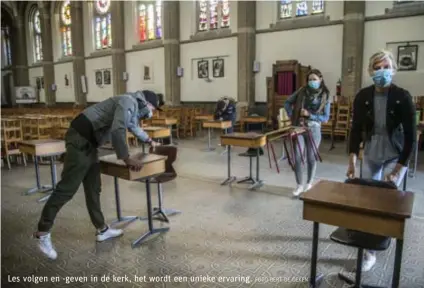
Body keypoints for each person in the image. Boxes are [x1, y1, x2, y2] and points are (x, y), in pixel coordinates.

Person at [33, 90, 162, 260]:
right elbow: (118, 130)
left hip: (90, 143)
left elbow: (133, 126)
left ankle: (102, 229)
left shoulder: (131, 106)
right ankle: (42, 233)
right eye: (153, 107)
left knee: (94, 188)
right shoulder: (128, 101)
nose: (151, 112)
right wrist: (126, 158)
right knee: (67, 189)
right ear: (147, 103)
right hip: (81, 138)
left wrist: (149, 140)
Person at [346, 49, 416, 271]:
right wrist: (351, 161)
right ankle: (369, 252)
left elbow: (411, 137)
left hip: (394, 152)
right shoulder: (363, 96)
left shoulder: (402, 96)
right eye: (377, 68)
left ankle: (385, 234)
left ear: (393, 69)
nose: (382, 71)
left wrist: (398, 169)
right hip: (372, 149)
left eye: (386, 67)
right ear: (370, 71)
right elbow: (355, 129)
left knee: (386, 198)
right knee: (368, 198)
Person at [284, 69, 330, 197]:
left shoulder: (325, 95)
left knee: (311, 157)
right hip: (298, 127)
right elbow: (287, 102)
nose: (312, 82)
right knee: (297, 156)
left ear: (320, 80)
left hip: (314, 129)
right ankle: (299, 185)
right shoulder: (301, 91)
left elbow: (325, 118)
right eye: (310, 79)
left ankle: (309, 184)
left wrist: (310, 115)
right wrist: (292, 114)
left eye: (314, 79)